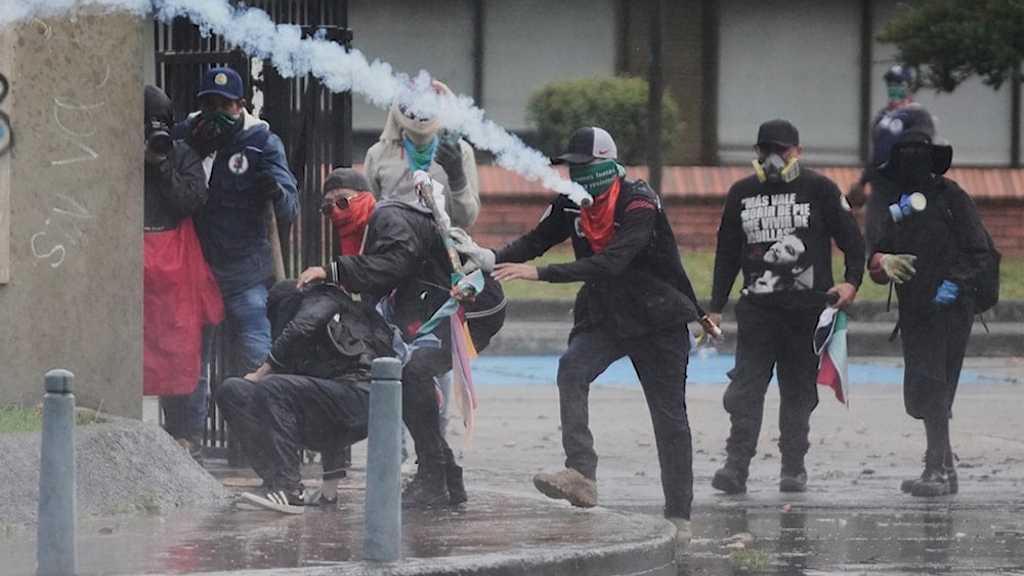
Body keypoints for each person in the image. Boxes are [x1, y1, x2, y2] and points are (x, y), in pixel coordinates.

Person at [491, 126, 703, 544]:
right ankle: (581, 474)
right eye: (572, 168)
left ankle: (679, 516)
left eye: (584, 168)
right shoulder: (571, 203)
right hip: (607, 315)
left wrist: (542, 275)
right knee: (572, 368)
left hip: (657, 316)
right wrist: (485, 258)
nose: (576, 176)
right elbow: (536, 240)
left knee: (669, 420)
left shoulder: (639, 202)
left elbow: (614, 262)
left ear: (608, 165)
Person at [293, 173, 503, 509]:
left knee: (412, 375)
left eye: (343, 201)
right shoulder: (365, 235)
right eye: (327, 207)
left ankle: (433, 480)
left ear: (364, 197)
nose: (336, 211)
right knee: (405, 380)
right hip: (436, 308)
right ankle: (448, 477)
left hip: (473, 306)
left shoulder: (387, 218)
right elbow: (376, 290)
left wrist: (332, 271)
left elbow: (395, 264)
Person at [707, 119, 864, 495]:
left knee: (797, 391)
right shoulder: (741, 192)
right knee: (746, 390)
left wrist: (852, 281)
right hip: (757, 311)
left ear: (798, 151)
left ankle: (793, 467)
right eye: (767, 151)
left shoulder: (820, 189)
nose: (774, 158)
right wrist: (715, 307)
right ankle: (736, 467)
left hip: (807, 312)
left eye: (782, 150)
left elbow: (853, 241)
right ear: (757, 154)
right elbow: (727, 253)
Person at [864, 114, 993, 497]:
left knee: (936, 384)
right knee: (922, 385)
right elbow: (875, 253)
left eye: (919, 155)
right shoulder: (895, 207)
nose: (912, 163)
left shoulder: (953, 197)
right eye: (905, 156)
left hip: (953, 308)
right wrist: (881, 264)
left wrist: (954, 284)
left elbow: (978, 250)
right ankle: (945, 465)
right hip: (915, 308)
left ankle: (935, 468)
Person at [178, 67, 299, 376]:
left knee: (258, 358)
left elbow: (289, 209)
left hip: (245, 273)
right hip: (196, 271)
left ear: (241, 104)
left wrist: (274, 190)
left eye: (225, 105)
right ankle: (188, 426)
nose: (217, 112)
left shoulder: (262, 142)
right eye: (210, 104)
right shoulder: (185, 138)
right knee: (191, 366)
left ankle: (258, 421)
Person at [142, 85, 223, 460]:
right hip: (135, 260)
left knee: (180, 348)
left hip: (176, 259)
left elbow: (190, 201)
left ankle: (184, 436)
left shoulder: (182, 154)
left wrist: (160, 165)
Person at [364, 79, 480, 229]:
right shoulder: (378, 154)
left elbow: (467, 220)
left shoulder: (460, 152)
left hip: (445, 246)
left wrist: (458, 179)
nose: (419, 116)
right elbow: (367, 217)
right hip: (396, 246)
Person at [849, 64, 917, 206]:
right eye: (890, 84)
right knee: (878, 225)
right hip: (881, 187)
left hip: (906, 187)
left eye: (899, 84)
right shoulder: (881, 117)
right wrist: (862, 182)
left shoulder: (917, 115)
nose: (893, 88)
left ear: (909, 87)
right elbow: (877, 154)